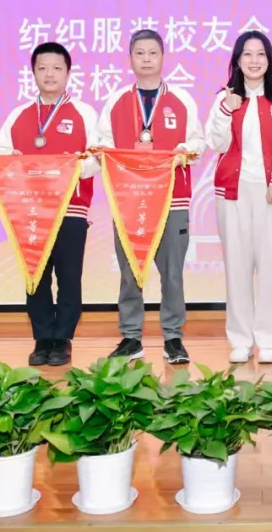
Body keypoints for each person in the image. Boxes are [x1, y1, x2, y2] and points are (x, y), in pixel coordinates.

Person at [97, 29, 206, 365]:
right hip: (129, 201)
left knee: (172, 273)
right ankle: (131, 337)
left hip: (172, 200)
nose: (146, 59)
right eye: (139, 53)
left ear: (163, 57)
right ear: (130, 58)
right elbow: (102, 143)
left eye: (152, 53)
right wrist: (105, 154)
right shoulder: (116, 101)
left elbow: (198, 142)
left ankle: (173, 338)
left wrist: (183, 151)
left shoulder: (182, 100)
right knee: (130, 271)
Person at [0, 42, 100, 367]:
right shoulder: (18, 115)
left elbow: (97, 158)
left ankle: (62, 339)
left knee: (69, 277)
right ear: (33, 73)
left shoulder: (84, 113)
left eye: (56, 68)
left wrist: (65, 169)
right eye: (42, 68)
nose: (49, 74)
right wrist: (16, 163)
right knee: (35, 276)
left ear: (68, 73)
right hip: (30, 211)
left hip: (71, 209)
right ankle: (42, 338)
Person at [205, 31, 272, 364]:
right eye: (247, 54)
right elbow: (215, 143)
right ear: (237, 60)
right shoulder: (225, 98)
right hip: (233, 191)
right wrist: (226, 111)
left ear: (269, 60)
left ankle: (269, 339)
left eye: (260, 54)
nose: (254, 60)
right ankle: (241, 339)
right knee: (237, 265)